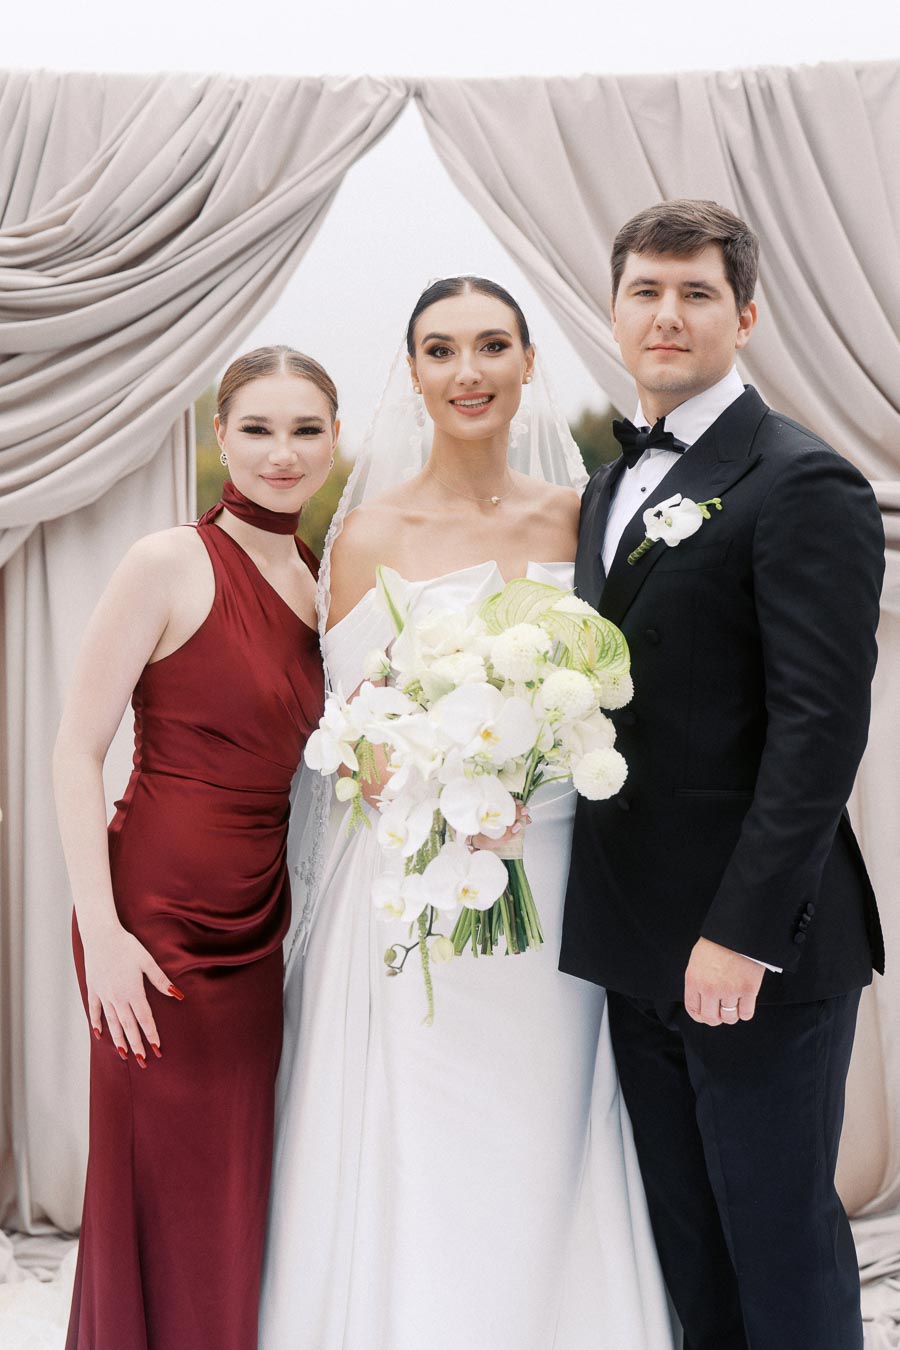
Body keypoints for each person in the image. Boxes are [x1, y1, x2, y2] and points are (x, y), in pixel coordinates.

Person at [260, 278, 677, 1350]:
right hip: (422, 894)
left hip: (560, 880)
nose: (469, 372)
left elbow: (621, 692)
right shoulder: (372, 532)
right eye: (441, 351)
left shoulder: (580, 518)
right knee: (432, 1131)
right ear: (412, 374)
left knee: (548, 1125)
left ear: (530, 363)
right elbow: (346, 742)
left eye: (493, 346)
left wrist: (537, 775)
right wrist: (440, 785)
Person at [561, 199, 885, 1350]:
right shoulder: (608, 484)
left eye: (696, 292)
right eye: (645, 290)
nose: (667, 313)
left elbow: (820, 728)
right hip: (630, 936)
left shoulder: (805, 482)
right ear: (613, 311)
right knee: (686, 1244)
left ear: (744, 315)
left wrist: (742, 932)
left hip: (759, 947)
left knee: (779, 1240)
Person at [54, 346, 337, 1350]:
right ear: (220, 439)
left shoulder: (319, 576)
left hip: (258, 921)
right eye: (258, 428)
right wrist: (104, 931)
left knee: (227, 1180)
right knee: (152, 1180)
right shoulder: (168, 561)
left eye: (305, 428)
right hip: (153, 922)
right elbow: (74, 751)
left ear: (335, 442)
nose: (281, 452)